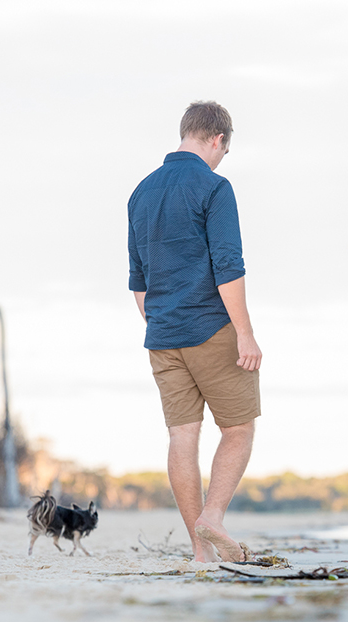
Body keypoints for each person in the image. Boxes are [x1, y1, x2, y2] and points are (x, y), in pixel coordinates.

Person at [128, 101, 262, 563]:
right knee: (239, 429)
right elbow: (228, 267)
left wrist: (164, 322)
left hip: (162, 335)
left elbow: (138, 282)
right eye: (225, 149)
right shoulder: (214, 186)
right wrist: (244, 332)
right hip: (211, 327)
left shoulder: (140, 193)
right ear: (217, 140)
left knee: (182, 437)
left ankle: (199, 551)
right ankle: (213, 517)